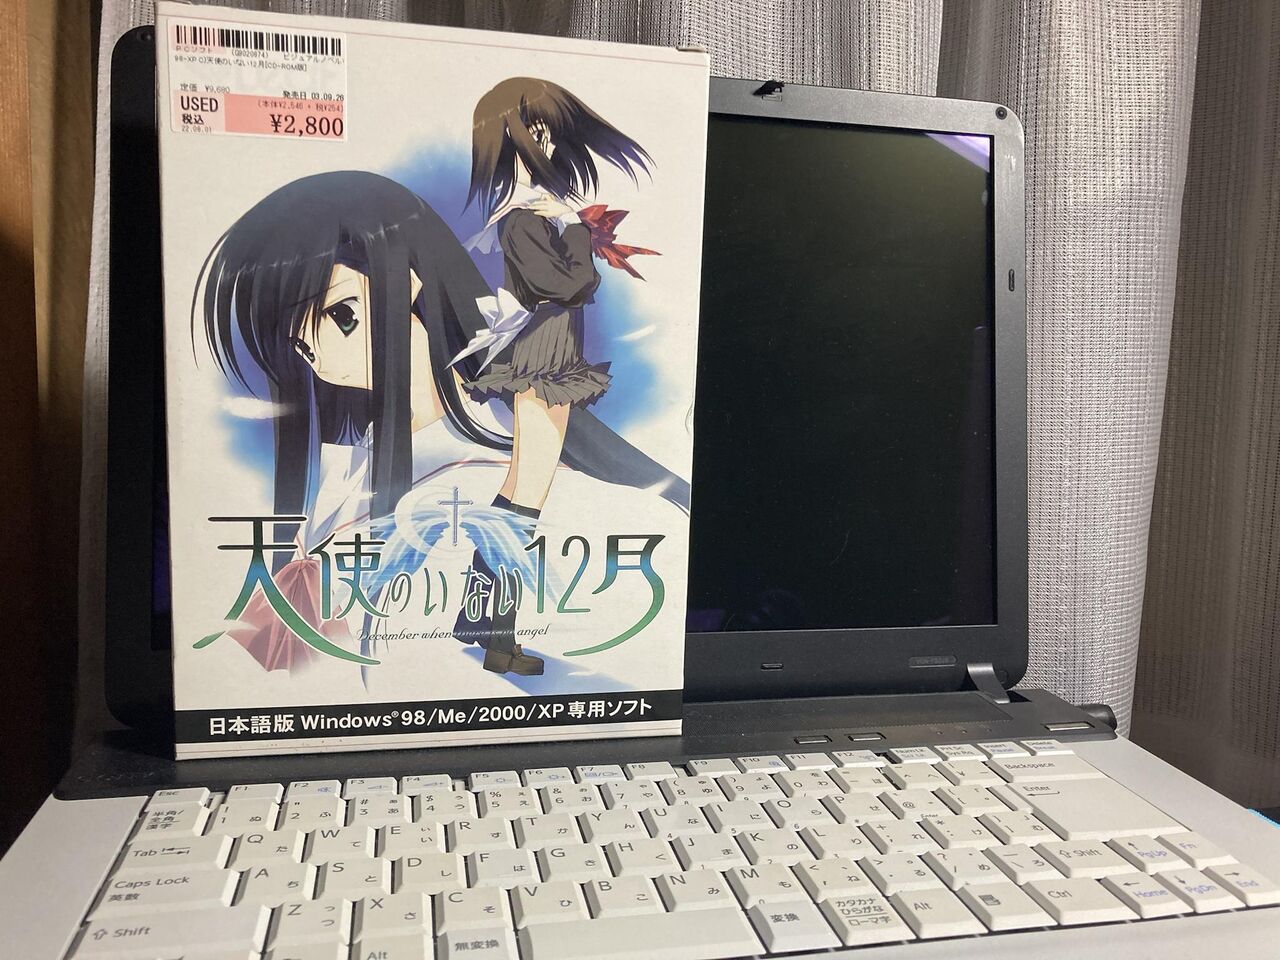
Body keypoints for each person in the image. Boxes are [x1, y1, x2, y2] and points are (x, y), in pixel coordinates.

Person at [196, 171, 687, 676]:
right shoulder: (357, 462)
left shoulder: (495, 448)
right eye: (300, 344)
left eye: (343, 314)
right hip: (389, 690)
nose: (319, 355)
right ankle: (490, 633)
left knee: (515, 510)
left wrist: (575, 231)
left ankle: (491, 635)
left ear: (411, 279)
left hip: (467, 684)